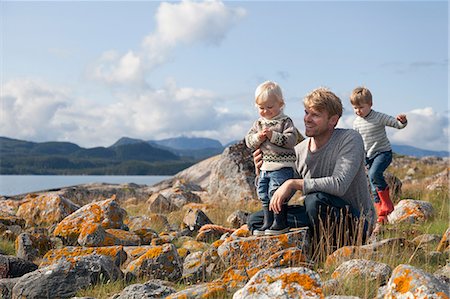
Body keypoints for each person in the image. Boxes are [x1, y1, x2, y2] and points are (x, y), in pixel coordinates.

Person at [247, 87, 375, 243]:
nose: (307, 119)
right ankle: (311, 238)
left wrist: (292, 183)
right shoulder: (299, 150)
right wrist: (263, 170)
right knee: (256, 219)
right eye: (306, 112)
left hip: (356, 221)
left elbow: (339, 184)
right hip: (316, 212)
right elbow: (280, 192)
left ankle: (328, 250)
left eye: (315, 115)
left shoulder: (349, 139)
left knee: (315, 201)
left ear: (333, 120)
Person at [245, 81, 301, 236]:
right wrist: (258, 137)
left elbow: (291, 140)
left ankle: (280, 222)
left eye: (270, 107)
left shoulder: (285, 121)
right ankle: (268, 222)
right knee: (263, 193)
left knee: (275, 193)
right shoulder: (258, 123)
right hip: (265, 167)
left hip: (282, 166)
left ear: (280, 104)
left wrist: (273, 136)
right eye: (261, 108)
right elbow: (249, 141)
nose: (265, 111)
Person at [350, 86, 407, 226]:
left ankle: (387, 203)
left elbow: (397, 125)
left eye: (361, 107)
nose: (358, 111)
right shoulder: (356, 123)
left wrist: (402, 121)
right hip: (368, 156)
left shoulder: (379, 117)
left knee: (374, 174)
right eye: (355, 108)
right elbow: (357, 141)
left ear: (370, 104)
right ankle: (381, 213)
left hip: (383, 153)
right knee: (372, 184)